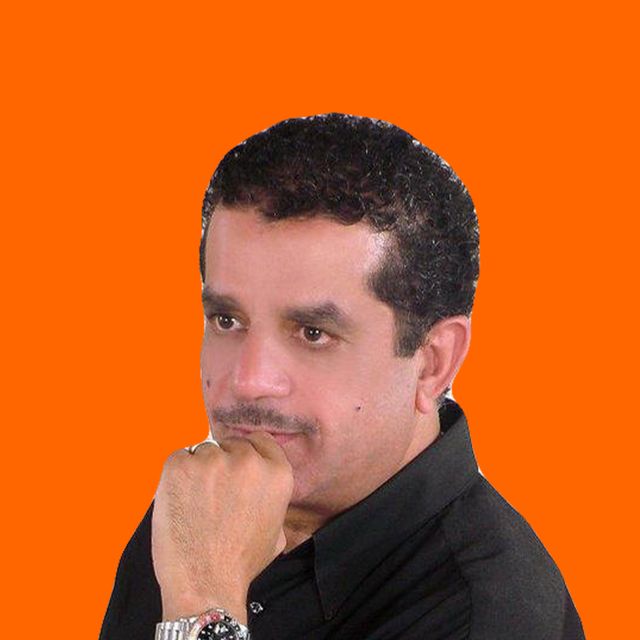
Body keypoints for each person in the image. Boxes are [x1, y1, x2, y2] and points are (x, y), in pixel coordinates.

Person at [100, 113, 585, 640]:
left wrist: (202, 605)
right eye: (227, 320)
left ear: (433, 362)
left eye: (313, 333)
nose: (248, 381)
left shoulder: (489, 617)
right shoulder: (202, 507)